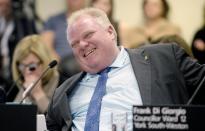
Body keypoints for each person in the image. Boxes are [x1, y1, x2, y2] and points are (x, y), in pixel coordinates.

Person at [46, 8, 205, 131]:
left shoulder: (163, 58)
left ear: (110, 32)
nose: (81, 45)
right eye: (74, 44)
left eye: (88, 35)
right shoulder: (63, 93)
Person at [12, 35, 60, 113]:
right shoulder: (15, 87)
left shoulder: (63, 83)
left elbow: (59, 121)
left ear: (44, 62)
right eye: (22, 66)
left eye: (32, 66)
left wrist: (38, 93)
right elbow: (12, 118)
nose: (27, 72)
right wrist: (24, 93)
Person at [0, 0, 37, 101]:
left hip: (15, 76)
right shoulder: (2, 23)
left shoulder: (23, 23)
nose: (2, 6)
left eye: (5, 3)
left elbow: (30, 47)